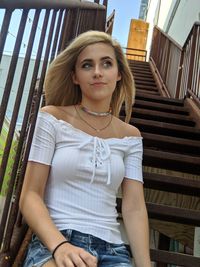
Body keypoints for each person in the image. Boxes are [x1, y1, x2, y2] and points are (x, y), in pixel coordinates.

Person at [20, 30, 151, 267]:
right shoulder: (52, 119)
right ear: (75, 77)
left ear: (119, 73)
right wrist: (60, 246)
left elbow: (133, 208)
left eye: (107, 64)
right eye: (87, 65)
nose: (98, 72)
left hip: (113, 250)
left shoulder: (131, 137)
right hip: (56, 241)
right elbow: (30, 195)